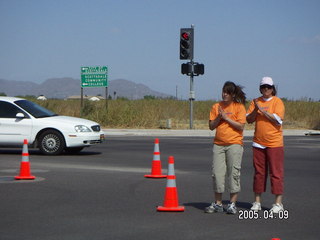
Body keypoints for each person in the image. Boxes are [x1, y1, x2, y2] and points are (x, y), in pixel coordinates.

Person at [205, 81, 246, 214]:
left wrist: (227, 119)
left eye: (228, 92)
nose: (224, 94)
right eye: (223, 91)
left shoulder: (239, 107)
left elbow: (241, 126)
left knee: (233, 173)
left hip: (234, 143)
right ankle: (218, 203)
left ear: (233, 95)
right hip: (219, 144)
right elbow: (211, 126)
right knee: (217, 173)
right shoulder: (216, 106)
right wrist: (219, 117)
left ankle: (232, 204)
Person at [246, 76, 285, 214]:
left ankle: (278, 203)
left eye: (268, 87)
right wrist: (256, 110)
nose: (266, 89)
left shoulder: (277, 101)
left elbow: (277, 120)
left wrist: (263, 111)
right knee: (259, 173)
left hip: (274, 143)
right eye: (263, 87)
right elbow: (249, 119)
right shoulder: (255, 102)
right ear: (260, 88)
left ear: (273, 88)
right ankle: (257, 201)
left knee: (276, 173)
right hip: (258, 143)